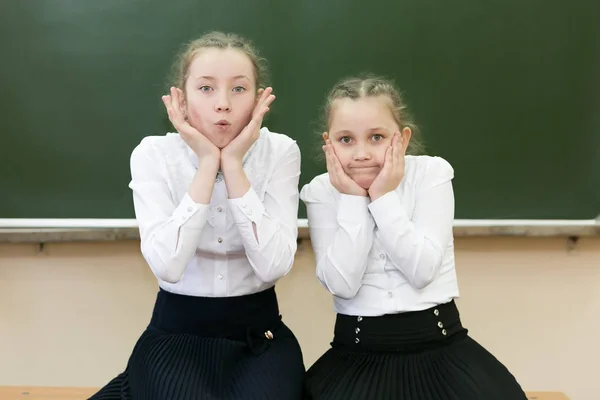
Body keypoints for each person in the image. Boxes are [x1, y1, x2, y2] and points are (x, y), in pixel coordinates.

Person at [90, 31, 305, 400]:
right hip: (174, 336)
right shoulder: (153, 155)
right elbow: (167, 267)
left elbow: (272, 266)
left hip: (259, 337)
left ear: (258, 99)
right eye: (206, 88)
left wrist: (233, 164)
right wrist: (208, 163)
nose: (223, 104)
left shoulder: (280, 151)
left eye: (238, 89)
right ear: (182, 100)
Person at [300, 75, 527, 400]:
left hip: (442, 349)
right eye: (346, 139)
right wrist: (352, 199)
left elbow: (421, 271)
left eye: (376, 137)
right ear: (328, 143)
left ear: (402, 139)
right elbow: (342, 285)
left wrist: (381, 197)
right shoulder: (323, 191)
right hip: (355, 356)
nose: (361, 153)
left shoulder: (431, 175)